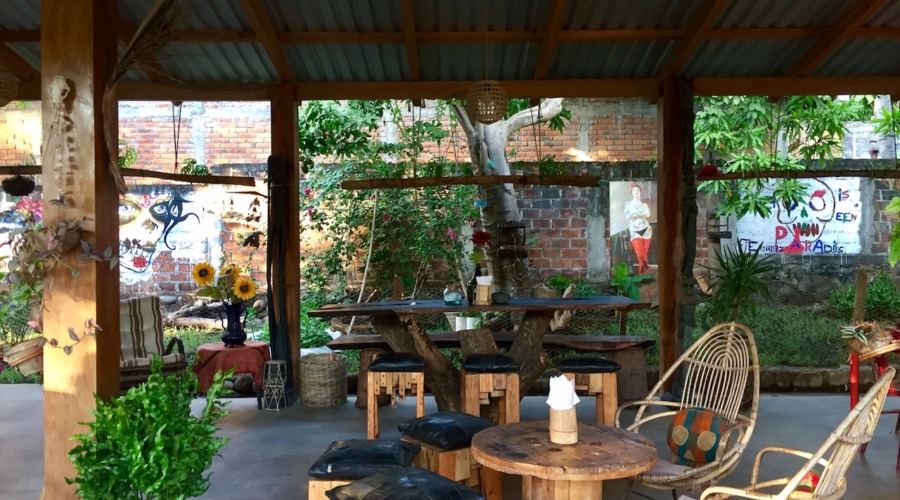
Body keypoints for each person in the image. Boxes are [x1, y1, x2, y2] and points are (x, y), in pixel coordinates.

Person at [624, 182, 652, 274]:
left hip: (646, 229)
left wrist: (636, 215)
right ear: (631, 193)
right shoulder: (628, 204)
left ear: (640, 192)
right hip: (634, 230)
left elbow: (647, 214)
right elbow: (626, 216)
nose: (636, 191)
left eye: (638, 190)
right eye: (634, 190)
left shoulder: (644, 205)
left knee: (645, 253)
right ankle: (647, 270)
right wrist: (639, 214)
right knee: (640, 254)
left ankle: (642, 274)